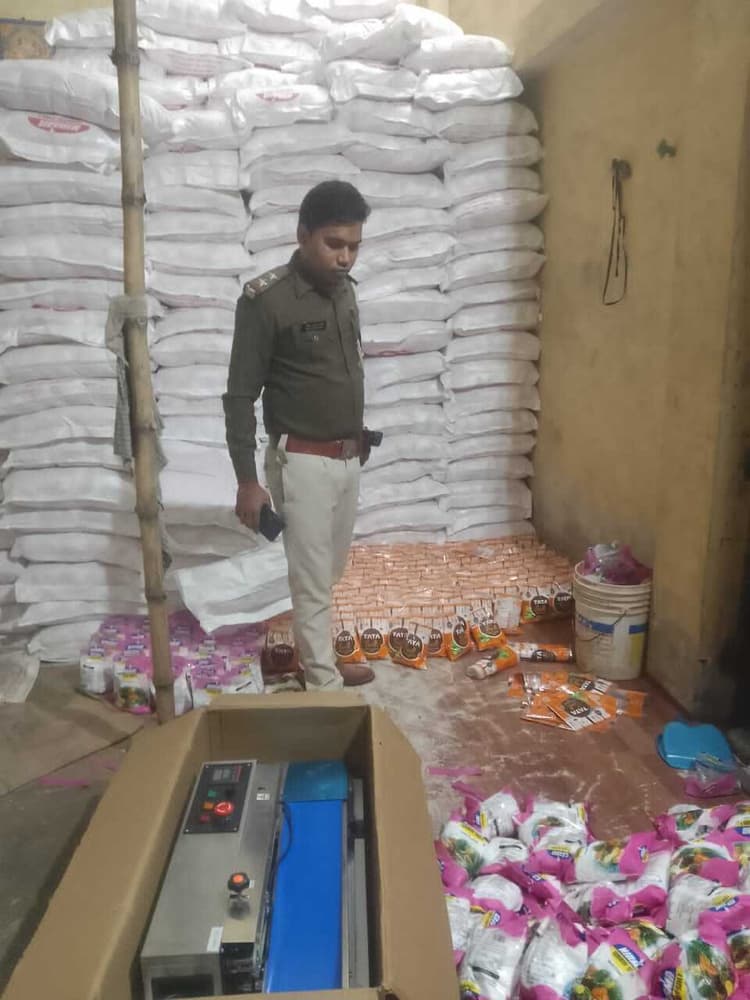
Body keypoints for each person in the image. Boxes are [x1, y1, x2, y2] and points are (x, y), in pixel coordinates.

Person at [223, 181, 375, 689]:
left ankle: (319, 660)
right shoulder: (267, 302)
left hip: (347, 457)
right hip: (301, 461)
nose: (345, 257)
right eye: (334, 244)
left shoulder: (346, 293)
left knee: (328, 573)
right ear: (303, 234)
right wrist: (248, 481)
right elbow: (239, 396)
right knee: (311, 580)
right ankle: (324, 689)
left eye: (354, 246)